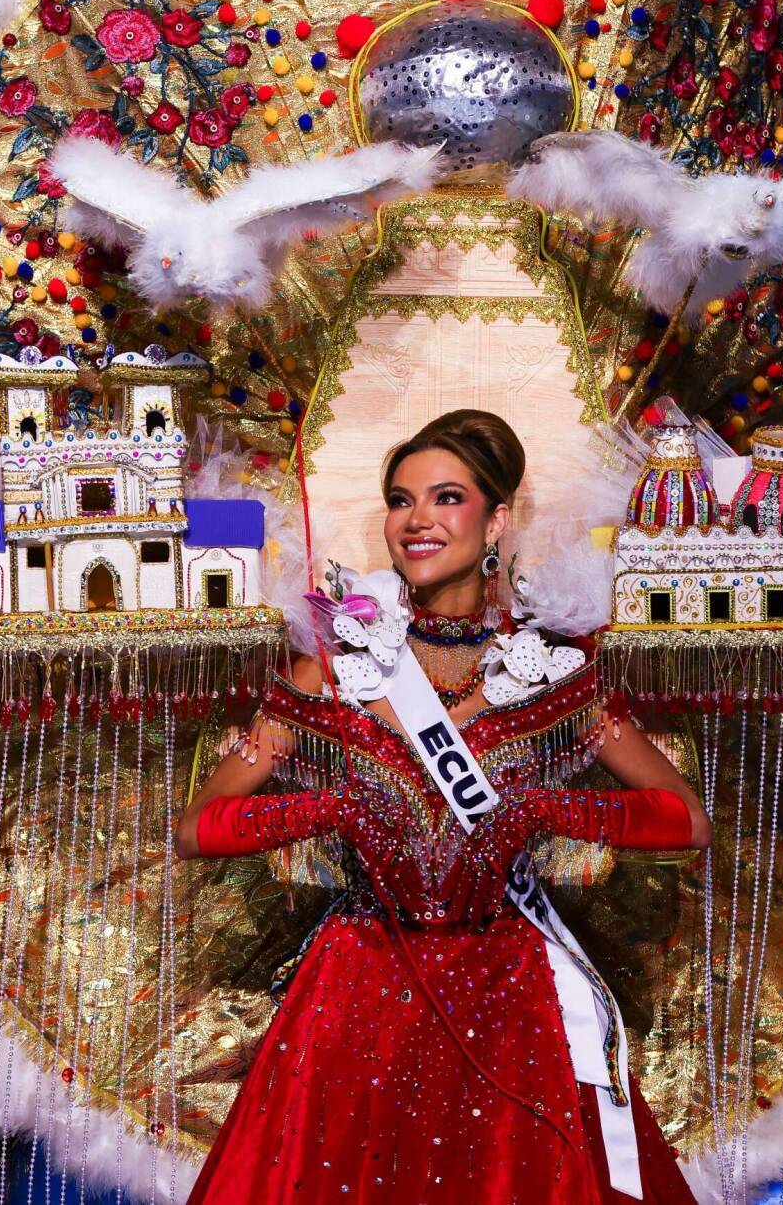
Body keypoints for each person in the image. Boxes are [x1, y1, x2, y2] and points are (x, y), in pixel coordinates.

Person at [175, 409, 710, 1204]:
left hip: (510, 992)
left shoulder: (554, 672)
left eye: (446, 498)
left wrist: (550, 810)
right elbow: (197, 830)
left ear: (496, 520)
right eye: (400, 499)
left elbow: (688, 821)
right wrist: (330, 809)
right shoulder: (332, 671)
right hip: (357, 994)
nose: (417, 520)